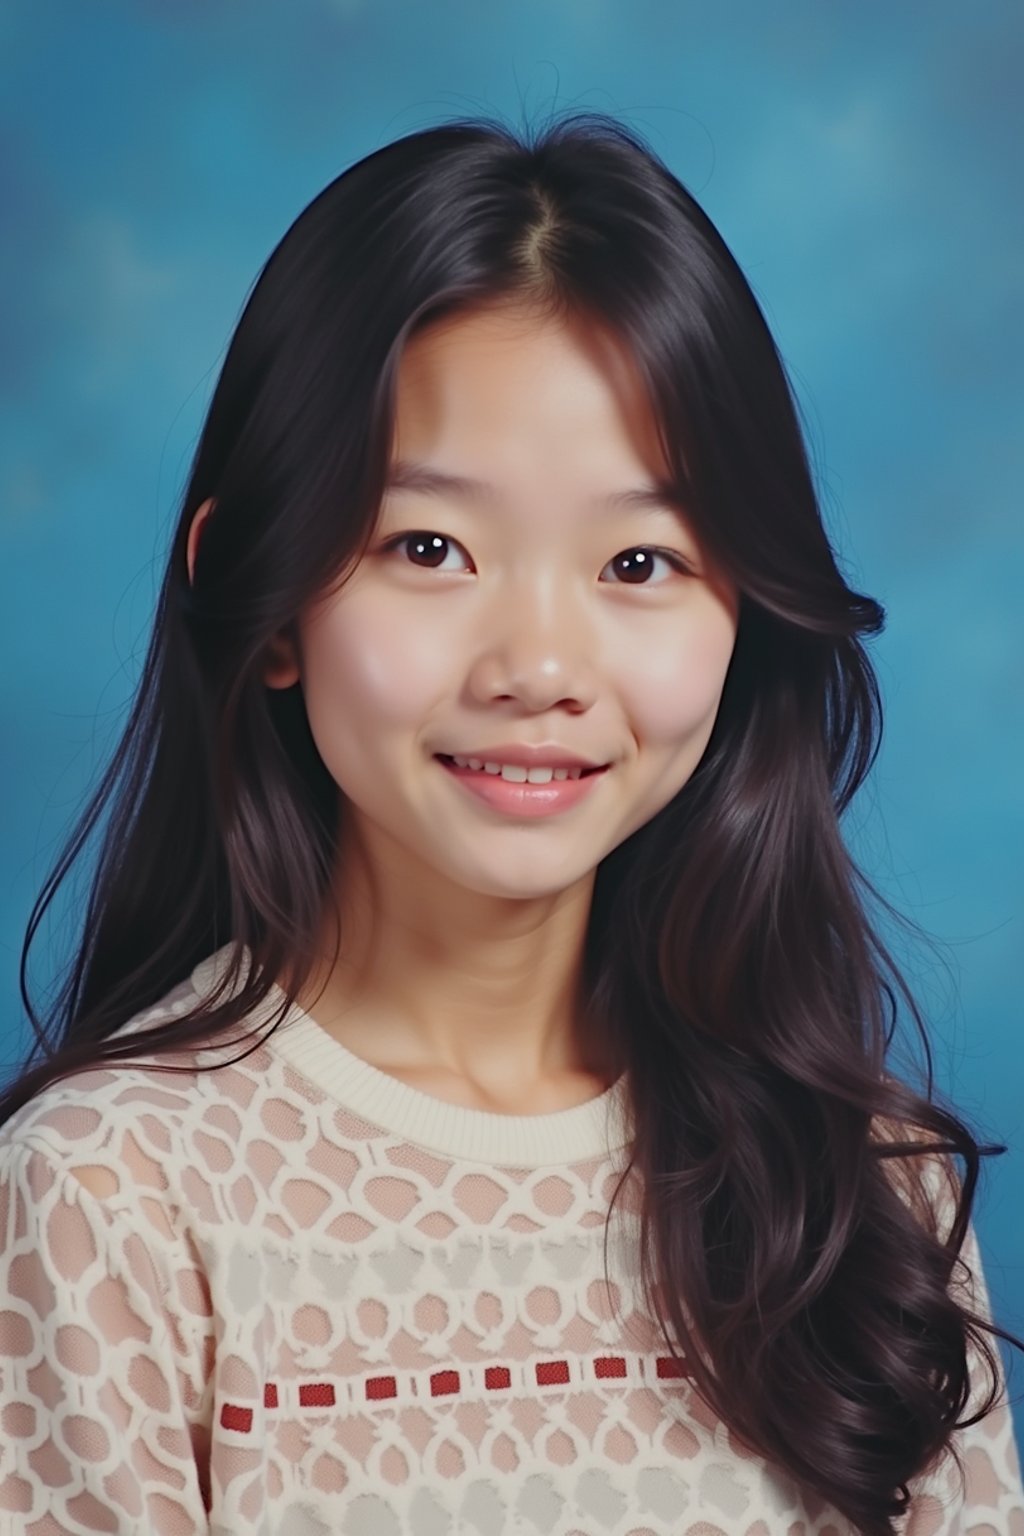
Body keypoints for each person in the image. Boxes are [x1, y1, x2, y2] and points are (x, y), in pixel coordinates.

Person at [0, 112, 1020, 1536]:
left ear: (745, 615)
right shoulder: (115, 1197)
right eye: (431, 549)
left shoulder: (868, 1194)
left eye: (639, 560)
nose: (538, 666)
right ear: (261, 588)